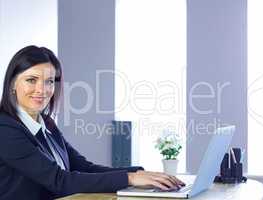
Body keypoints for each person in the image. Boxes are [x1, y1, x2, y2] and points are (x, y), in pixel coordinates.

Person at [0, 46, 184, 200]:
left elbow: (84, 168)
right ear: (12, 84)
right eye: (31, 80)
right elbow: (59, 180)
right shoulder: (5, 129)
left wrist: (140, 173)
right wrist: (130, 178)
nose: (42, 89)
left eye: (49, 81)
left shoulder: (46, 124)